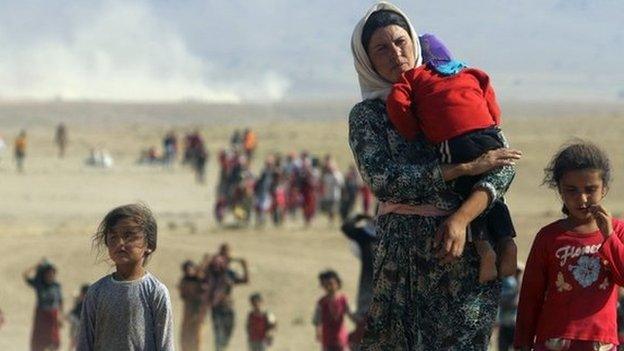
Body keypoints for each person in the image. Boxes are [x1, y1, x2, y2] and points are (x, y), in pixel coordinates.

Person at [348, 2, 522, 349]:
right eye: (381, 48)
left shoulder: (448, 89)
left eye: (400, 42)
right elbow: (383, 179)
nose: (395, 54)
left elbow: (501, 162)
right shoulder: (368, 116)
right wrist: (460, 170)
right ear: (367, 59)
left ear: (413, 40)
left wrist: (460, 218)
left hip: (468, 257)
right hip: (403, 264)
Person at [385, 32, 517, 283]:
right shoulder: (471, 72)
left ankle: (484, 249)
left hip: (455, 142)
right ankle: (507, 241)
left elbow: (397, 102)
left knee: (465, 191)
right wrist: (490, 125)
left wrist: (413, 129)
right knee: (491, 192)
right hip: (489, 135)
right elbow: (491, 99)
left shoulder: (414, 76)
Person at [514, 142, 624, 351]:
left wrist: (608, 236)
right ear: (560, 191)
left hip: (601, 343)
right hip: (554, 342)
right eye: (571, 190)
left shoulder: (617, 231)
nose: (581, 198)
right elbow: (530, 296)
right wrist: (522, 344)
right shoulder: (549, 237)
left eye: (590, 190)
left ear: (605, 189)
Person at [76, 203, 174, 350]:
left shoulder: (155, 292)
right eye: (113, 237)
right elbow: (85, 344)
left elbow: (165, 345)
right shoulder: (96, 292)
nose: (120, 243)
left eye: (129, 236)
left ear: (149, 244)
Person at [205, 244, 249, 351]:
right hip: (217, 308)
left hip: (228, 307)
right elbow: (202, 273)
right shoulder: (213, 272)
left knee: (228, 332)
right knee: (219, 335)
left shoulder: (230, 273)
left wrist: (244, 266)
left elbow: (245, 280)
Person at [24, 259, 63, 351]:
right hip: (41, 316)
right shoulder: (39, 284)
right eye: (48, 273)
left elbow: (60, 301)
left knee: (54, 342)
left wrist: (60, 316)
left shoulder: (56, 286)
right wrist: (35, 266)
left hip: (53, 316)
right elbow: (25, 275)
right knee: (39, 342)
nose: (50, 275)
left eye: (52, 273)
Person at [313, 270, 356, 351]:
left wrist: (360, 323)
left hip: (342, 339)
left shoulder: (344, 300)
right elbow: (317, 319)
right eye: (325, 285)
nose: (329, 287)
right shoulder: (321, 302)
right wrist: (318, 331)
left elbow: (352, 315)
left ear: (337, 283)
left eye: (331, 283)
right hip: (327, 340)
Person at [179, 260, 207, 351]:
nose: (189, 271)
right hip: (188, 312)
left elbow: (203, 294)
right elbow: (184, 295)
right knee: (185, 337)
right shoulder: (185, 281)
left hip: (197, 312)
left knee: (197, 337)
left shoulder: (200, 281)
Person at [495, 265, 523, 351]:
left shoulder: (513, 283)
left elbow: (516, 302)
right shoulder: (508, 282)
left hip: (514, 325)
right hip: (505, 324)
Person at [67, 284, 90, 351]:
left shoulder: (89, 304)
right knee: (74, 343)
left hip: (83, 329)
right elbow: (72, 314)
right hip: (77, 328)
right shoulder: (79, 304)